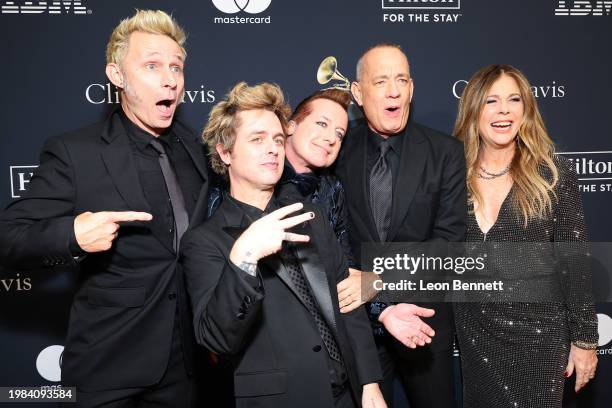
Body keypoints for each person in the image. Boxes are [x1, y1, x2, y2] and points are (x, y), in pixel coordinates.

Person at [0, 10, 209, 407]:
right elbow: (8, 236)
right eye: (151, 66)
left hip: (190, 370)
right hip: (109, 368)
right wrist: (72, 236)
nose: (170, 79)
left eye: (176, 67)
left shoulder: (197, 149)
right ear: (116, 75)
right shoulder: (76, 152)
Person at [181, 82, 386, 408]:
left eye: (278, 139)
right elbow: (216, 338)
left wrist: (369, 382)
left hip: (346, 394)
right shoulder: (205, 241)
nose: (273, 148)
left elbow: (346, 300)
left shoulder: (310, 215)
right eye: (257, 139)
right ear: (225, 152)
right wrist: (244, 257)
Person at [453, 64, 598, 407]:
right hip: (476, 338)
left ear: (526, 110)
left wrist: (586, 342)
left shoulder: (553, 175)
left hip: (539, 338)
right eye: (491, 101)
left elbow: (575, 263)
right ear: (474, 110)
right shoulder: (451, 176)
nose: (504, 110)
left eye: (514, 99)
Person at [334, 43, 467, 407]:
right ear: (358, 93)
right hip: (358, 327)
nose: (393, 90)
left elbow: (451, 244)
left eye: (402, 80)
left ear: (411, 88)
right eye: (381, 81)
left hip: (424, 324)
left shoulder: (446, 153)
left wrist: (376, 280)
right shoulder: (335, 148)